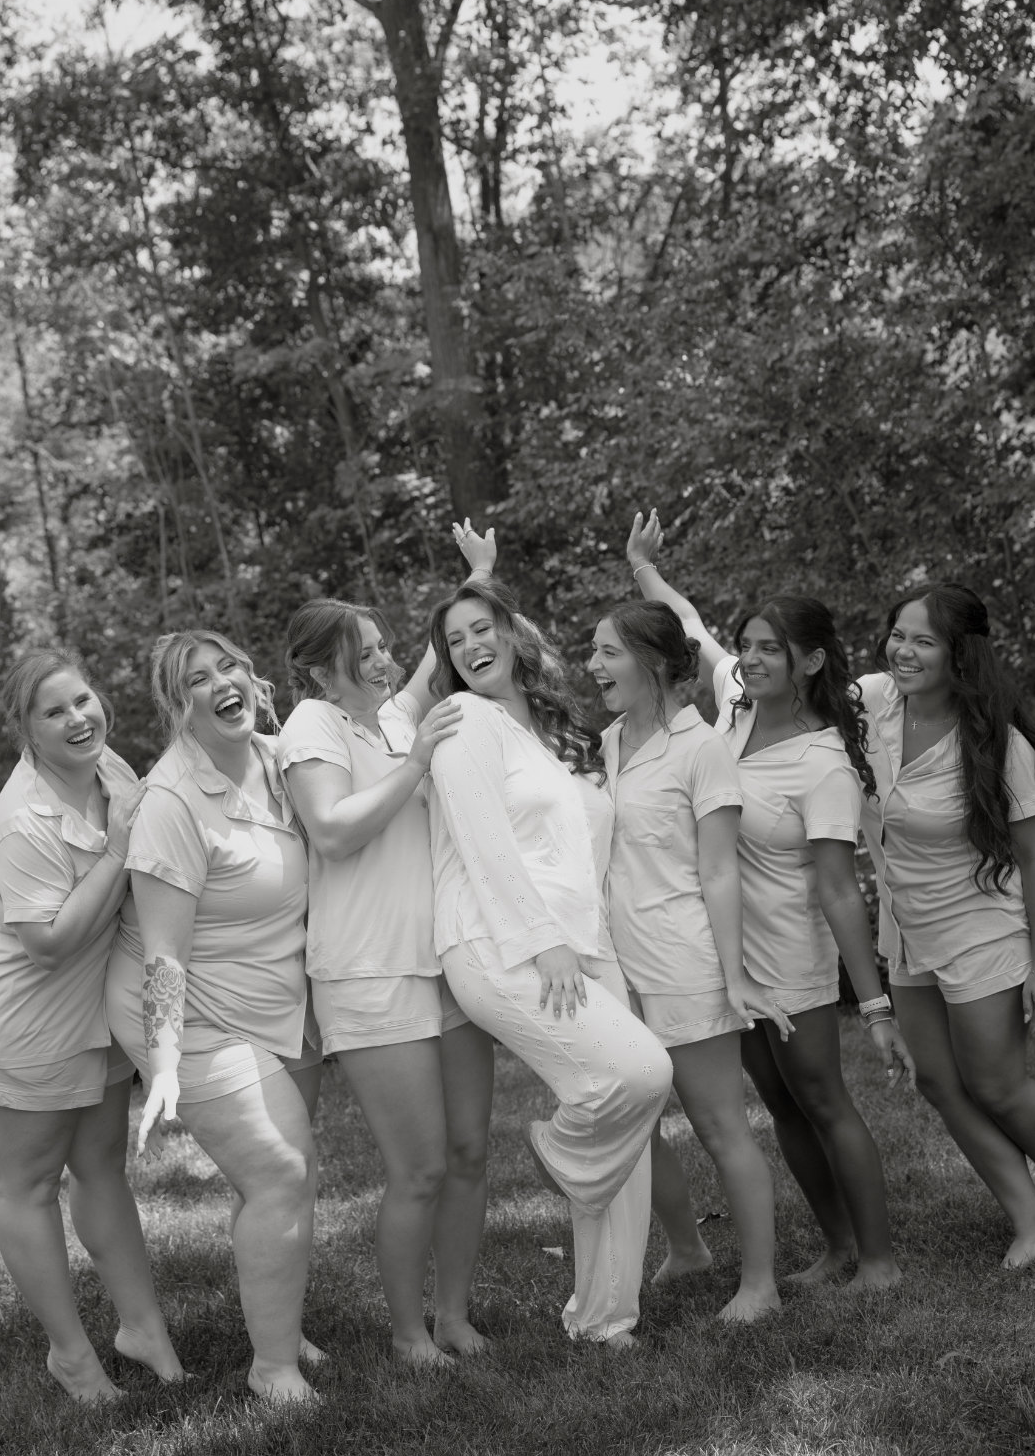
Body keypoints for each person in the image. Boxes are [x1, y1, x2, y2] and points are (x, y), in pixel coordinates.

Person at [627, 511, 913, 1291]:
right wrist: (643, 567)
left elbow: (837, 889)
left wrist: (874, 1007)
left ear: (810, 661)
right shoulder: (735, 708)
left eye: (768, 649)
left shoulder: (822, 764)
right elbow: (689, 627)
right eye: (746, 645)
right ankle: (835, 1248)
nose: (748, 659)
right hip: (724, 953)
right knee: (779, 1105)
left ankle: (878, 1262)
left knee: (821, 1098)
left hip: (789, 957)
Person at [426, 573, 674, 1346]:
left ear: (512, 633)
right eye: (454, 640)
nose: (470, 646)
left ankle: (606, 1317)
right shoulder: (465, 719)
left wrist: (586, 946)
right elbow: (483, 841)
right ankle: (559, 1150)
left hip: (582, 943)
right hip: (499, 942)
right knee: (640, 1073)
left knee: (627, 1133)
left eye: (482, 628)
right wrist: (542, 941)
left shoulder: (545, 731)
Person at [276, 545, 497, 1366]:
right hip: (370, 971)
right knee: (420, 1168)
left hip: (447, 961)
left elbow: (439, 655)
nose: (382, 658)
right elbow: (333, 831)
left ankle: (453, 1316)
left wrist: (477, 577)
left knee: (469, 1153)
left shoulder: (395, 718)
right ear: (320, 670)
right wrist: (415, 765)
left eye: (380, 644)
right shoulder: (313, 725)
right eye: (362, 650)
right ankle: (408, 1335)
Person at [105, 630, 323, 1402]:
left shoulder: (277, 759)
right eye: (197, 679)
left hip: (272, 998)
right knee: (280, 1171)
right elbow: (164, 957)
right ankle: (273, 1368)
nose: (220, 682)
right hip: (188, 1014)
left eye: (228, 665)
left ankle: (280, 1322)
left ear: (252, 676)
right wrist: (163, 1064)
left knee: (277, 1179)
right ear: (178, 706)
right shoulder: (171, 801)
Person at [0, 649, 184, 1402]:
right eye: (54, 711)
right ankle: (69, 1355)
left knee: (102, 1167)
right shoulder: (21, 820)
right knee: (30, 1184)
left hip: (97, 1006)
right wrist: (122, 847)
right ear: (26, 731)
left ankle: (143, 1329)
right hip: (30, 1017)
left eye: (82, 700)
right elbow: (47, 943)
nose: (78, 718)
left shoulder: (111, 771)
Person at [588, 589, 793, 1321]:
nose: (593, 665)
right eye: (593, 651)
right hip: (616, 966)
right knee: (632, 1122)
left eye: (607, 652)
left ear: (650, 662)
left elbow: (719, 870)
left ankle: (760, 1285)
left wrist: (733, 977)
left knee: (717, 1126)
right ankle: (686, 1248)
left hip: (684, 960)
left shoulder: (701, 747)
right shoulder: (610, 741)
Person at [857, 582, 1035, 1268]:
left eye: (924, 640)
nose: (903, 651)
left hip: (981, 928)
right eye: (898, 635)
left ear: (958, 654)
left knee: (997, 1085)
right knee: (939, 1082)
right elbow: (769, 673)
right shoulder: (873, 706)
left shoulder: (1000, 744)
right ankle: (1032, 1223)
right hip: (907, 932)